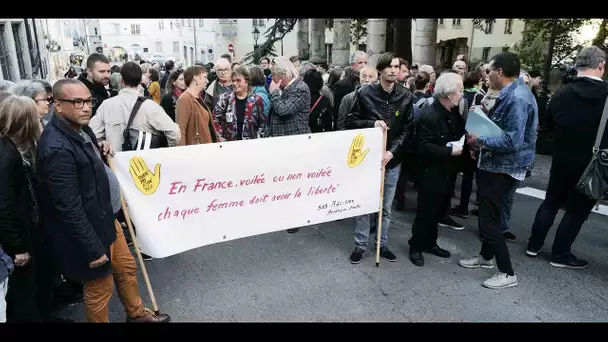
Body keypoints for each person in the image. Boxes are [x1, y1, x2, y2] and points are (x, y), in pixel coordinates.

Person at [36, 78, 171, 322]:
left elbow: (84, 163)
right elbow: (68, 208)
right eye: (77, 102)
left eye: (88, 101)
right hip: (90, 231)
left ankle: (137, 314)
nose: (86, 107)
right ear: (57, 105)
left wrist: (99, 146)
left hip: (106, 218)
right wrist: (92, 249)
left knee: (127, 268)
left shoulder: (80, 129)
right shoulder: (56, 148)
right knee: (100, 288)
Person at [459, 52, 538, 289]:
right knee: (490, 214)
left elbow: (512, 141)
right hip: (496, 165)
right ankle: (485, 258)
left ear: (499, 72)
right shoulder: (511, 93)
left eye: (489, 70)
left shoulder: (518, 99)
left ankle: (507, 272)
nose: (486, 75)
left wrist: (479, 140)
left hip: (503, 167)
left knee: (490, 219)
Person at [527, 46, 608, 269]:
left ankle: (533, 245)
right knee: (577, 210)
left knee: (551, 202)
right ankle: (560, 254)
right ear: (601, 65)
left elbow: (550, 126)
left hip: (562, 159)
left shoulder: (562, 93)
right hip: (592, 164)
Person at [345, 52, 415, 264]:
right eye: (389, 67)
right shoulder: (365, 93)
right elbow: (351, 122)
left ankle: (381, 244)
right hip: (367, 159)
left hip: (391, 160)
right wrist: (371, 123)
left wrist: (392, 151)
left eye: (396, 67)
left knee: (385, 207)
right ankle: (360, 244)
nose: (393, 70)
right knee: (366, 205)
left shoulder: (406, 95)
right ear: (381, 70)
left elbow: (408, 129)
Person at [408, 73, 466, 267]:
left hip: (446, 171)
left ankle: (430, 243)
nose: (462, 94)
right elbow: (423, 146)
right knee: (426, 212)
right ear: (449, 94)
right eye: (460, 90)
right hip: (430, 173)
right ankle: (415, 246)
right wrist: (450, 151)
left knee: (437, 211)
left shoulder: (452, 112)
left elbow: (459, 134)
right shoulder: (430, 115)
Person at [213, 65, 266, 141]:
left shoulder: (256, 100)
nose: (234, 83)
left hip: (250, 145)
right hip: (229, 145)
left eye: (238, 80)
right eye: (233, 81)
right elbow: (214, 118)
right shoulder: (225, 99)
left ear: (247, 82)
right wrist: (220, 136)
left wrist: (258, 140)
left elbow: (262, 123)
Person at [176, 65, 217, 145]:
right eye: (205, 77)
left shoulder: (198, 97)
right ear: (195, 78)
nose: (207, 81)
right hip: (196, 151)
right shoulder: (184, 99)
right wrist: (181, 153)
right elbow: (181, 131)